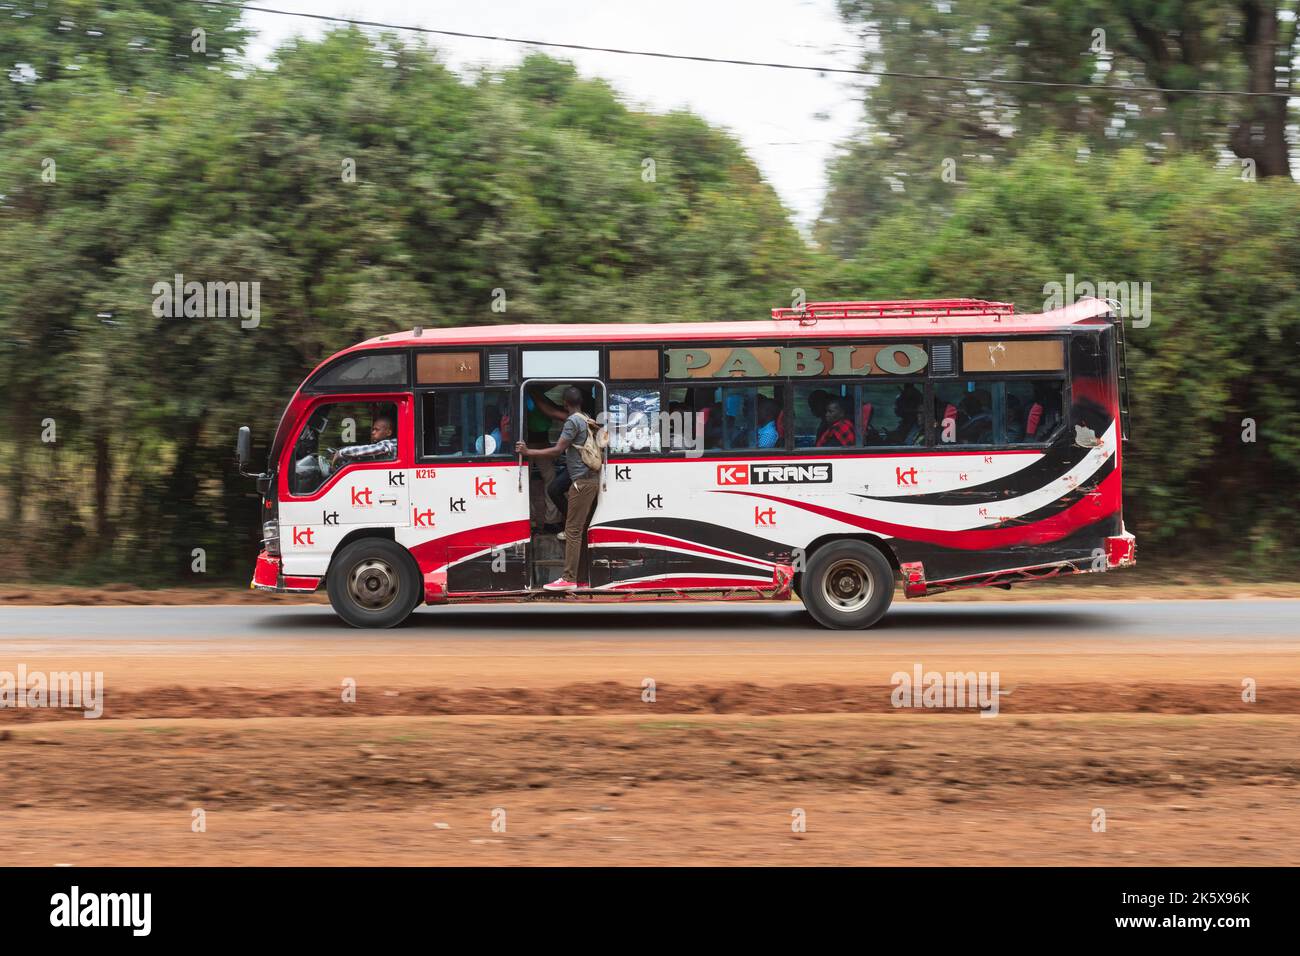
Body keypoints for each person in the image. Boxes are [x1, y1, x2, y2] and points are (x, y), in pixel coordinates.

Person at [516, 386, 600, 591]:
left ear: (564, 402)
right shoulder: (584, 416)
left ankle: (569, 578)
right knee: (576, 530)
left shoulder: (573, 421)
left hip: (582, 483)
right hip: (585, 481)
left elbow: (557, 450)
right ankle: (579, 577)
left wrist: (528, 451)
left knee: (572, 532)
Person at [331, 414, 397, 467]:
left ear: (388, 432)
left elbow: (368, 450)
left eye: (377, 430)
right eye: (373, 429)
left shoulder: (390, 444)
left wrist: (341, 452)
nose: (373, 432)